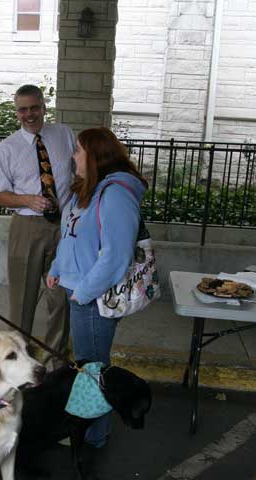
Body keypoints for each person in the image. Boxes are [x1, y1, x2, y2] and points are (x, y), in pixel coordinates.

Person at [46, 127, 147, 448]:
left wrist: (84, 291)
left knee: (92, 368)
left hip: (94, 297)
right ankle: (92, 429)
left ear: (95, 155)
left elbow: (116, 255)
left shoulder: (116, 194)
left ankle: (93, 434)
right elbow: (70, 235)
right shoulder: (88, 189)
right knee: (90, 365)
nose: (72, 156)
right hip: (78, 288)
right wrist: (57, 268)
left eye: (77, 150)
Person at [0, 84, 74, 359]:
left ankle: (55, 362)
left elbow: (79, 175)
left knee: (61, 298)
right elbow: (0, 195)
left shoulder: (63, 134)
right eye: (22, 109)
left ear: (43, 107)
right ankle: (18, 361)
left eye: (34, 107)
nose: (29, 114)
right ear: (17, 112)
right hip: (27, 228)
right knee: (22, 302)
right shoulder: (7, 148)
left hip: (63, 227)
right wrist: (27, 200)